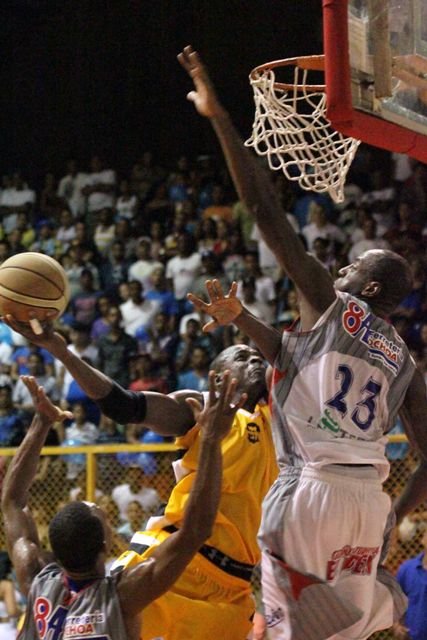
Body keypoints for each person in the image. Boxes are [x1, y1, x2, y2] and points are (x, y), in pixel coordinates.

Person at [178, 45, 427, 640]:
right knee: (341, 628)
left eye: (349, 267)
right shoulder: (406, 363)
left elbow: (266, 213)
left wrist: (220, 118)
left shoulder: (336, 306)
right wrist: (397, 510)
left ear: (365, 286)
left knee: (291, 631)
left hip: (310, 490)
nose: (337, 270)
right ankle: (378, 608)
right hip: (368, 502)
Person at [1, 372, 244, 640]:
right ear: (106, 545)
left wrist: (41, 421)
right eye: (106, 521)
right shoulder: (121, 596)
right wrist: (210, 440)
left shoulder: (37, 580)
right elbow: (194, 532)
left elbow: (13, 500)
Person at [110, 343, 276, 640]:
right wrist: (64, 353)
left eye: (257, 356)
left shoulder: (276, 422)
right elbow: (125, 405)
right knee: (104, 623)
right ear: (219, 377)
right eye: (242, 357)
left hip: (233, 583)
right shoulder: (202, 408)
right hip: (176, 556)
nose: (254, 359)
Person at [394, 524, 427, 640]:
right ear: (423, 539)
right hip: (411, 637)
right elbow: (395, 600)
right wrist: (396, 625)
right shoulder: (407, 569)